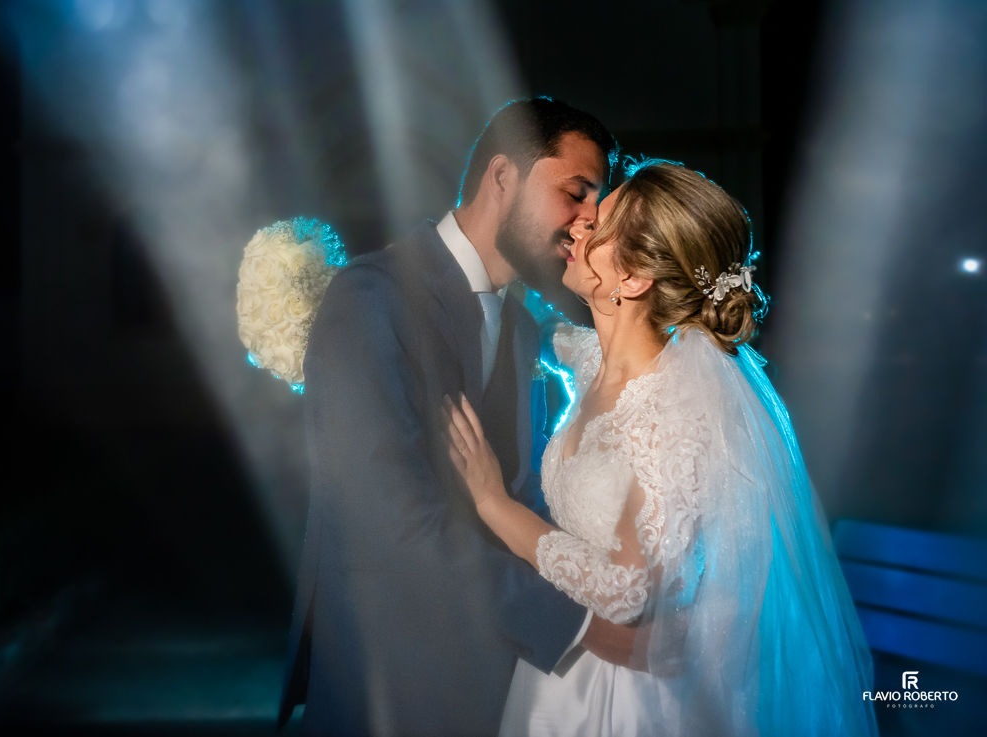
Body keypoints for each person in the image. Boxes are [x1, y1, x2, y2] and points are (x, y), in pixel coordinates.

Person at [446, 160, 878, 736]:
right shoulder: (593, 358)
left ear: (634, 280)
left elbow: (625, 592)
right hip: (563, 677)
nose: (577, 228)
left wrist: (494, 504)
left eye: (596, 230)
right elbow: (542, 327)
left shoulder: (671, 410)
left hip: (632, 696)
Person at [278, 98, 629, 736]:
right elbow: (389, 527)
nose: (588, 223)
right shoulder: (370, 299)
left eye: (597, 205)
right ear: (503, 178)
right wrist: (575, 623)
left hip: (496, 687)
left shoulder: (521, 328)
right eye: (576, 193)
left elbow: (518, 495)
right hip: (389, 690)